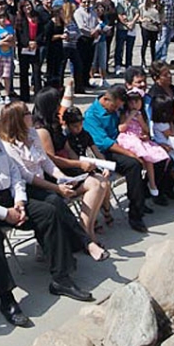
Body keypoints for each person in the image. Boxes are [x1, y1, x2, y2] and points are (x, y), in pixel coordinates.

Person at [0, 102, 93, 328]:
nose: (0, 123)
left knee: (48, 211)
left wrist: (20, 202)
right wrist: (5, 214)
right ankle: (7, 299)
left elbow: (14, 174)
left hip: (3, 197)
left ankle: (61, 278)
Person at [0, 102, 109, 262]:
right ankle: (85, 242)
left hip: (45, 181)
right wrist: (57, 187)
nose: (31, 115)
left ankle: (85, 235)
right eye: (27, 113)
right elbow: (27, 175)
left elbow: (45, 162)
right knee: (55, 202)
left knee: (94, 184)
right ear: (19, 119)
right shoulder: (7, 145)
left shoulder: (32, 134)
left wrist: (62, 177)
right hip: (27, 188)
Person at [31, 87, 113, 237]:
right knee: (95, 184)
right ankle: (87, 232)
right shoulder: (41, 130)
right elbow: (51, 159)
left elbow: (69, 151)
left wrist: (85, 167)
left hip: (69, 168)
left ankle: (87, 227)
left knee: (101, 180)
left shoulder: (56, 123)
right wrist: (78, 165)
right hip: (55, 175)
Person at [83, 85, 149, 231]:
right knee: (133, 164)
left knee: (151, 156)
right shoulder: (91, 115)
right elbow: (104, 142)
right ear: (105, 99)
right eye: (114, 106)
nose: (115, 109)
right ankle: (135, 216)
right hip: (105, 152)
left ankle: (144, 199)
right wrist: (131, 154)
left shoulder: (116, 108)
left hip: (123, 141)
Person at [118, 88, 169, 199]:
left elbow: (146, 130)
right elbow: (121, 128)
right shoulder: (125, 114)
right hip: (128, 138)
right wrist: (130, 116)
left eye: (137, 102)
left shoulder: (143, 114)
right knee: (143, 155)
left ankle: (152, 182)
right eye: (131, 102)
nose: (134, 105)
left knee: (153, 157)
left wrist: (141, 121)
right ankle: (148, 182)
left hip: (140, 138)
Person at [15, 0, 46, 102]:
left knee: (37, 71)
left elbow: (42, 32)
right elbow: (20, 35)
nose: (28, 7)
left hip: (35, 47)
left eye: (29, 5)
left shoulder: (37, 17)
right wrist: (27, 42)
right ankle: (24, 95)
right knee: (24, 72)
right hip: (24, 48)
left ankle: (38, 94)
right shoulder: (19, 19)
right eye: (25, 6)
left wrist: (36, 42)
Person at [0, 4, 16, 103]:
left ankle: (7, 94)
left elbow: (13, 43)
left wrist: (8, 41)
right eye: (0, 18)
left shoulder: (10, 29)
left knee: (7, 76)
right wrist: (5, 40)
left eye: (4, 17)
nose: (2, 20)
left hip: (8, 55)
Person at [138, 0, 162, 66]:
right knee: (144, 44)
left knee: (153, 45)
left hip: (155, 27)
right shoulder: (143, 6)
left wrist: (158, 24)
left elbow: (162, 18)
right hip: (145, 26)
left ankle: (153, 61)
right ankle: (143, 61)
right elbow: (139, 16)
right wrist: (143, 20)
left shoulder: (159, 7)